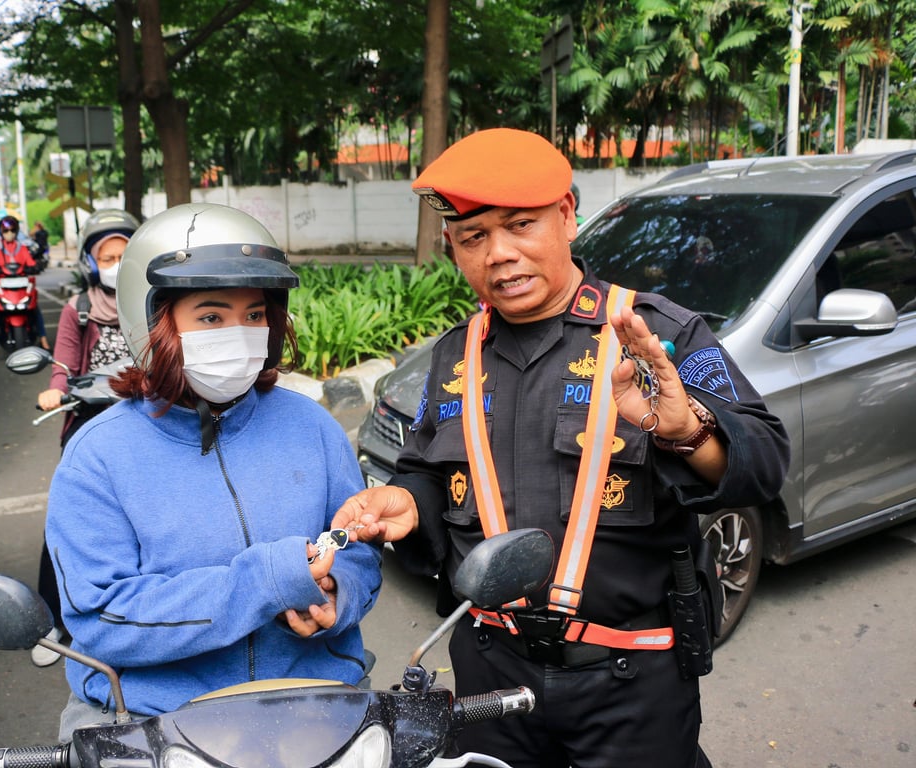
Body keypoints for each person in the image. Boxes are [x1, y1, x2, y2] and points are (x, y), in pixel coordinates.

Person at [330, 129, 790, 768]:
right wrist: (407, 500)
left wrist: (686, 429)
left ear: (568, 216)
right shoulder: (453, 356)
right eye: (473, 238)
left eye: (521, 226)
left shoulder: (655, 332)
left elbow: (765, 465)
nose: (500, 255)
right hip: (491, 675)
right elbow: (432, 473)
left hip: (632, 681)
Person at [44, 202, 382, 740]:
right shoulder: (98, 457)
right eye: (211, 316)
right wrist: (264, 583)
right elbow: (101, 617)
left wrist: (341, 594)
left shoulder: (312, 428)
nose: (241, 333)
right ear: (152, 321)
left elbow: (359, 546)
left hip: (316, 702)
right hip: (154, 720)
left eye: (254, 315)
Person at [30, 208, 139, 667]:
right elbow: (63, 363)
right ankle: (52, 619)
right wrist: (55, 391)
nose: (116, 262)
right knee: (68, 524)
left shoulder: (151, 302)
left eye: (124, 253)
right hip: (88, 427)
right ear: (92, 262)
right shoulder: (78, 309)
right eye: (107, 255)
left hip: (145, 424)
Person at [0, 215, 49, 361]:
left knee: (35, 309)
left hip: (22, 288)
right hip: (3, 289)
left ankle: (43, 338)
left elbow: (30, 263)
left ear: (16, 231)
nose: (9, 233)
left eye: (12, 230)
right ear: (1, 232)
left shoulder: (22, 248)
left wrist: (34, 267)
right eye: (6, 230)